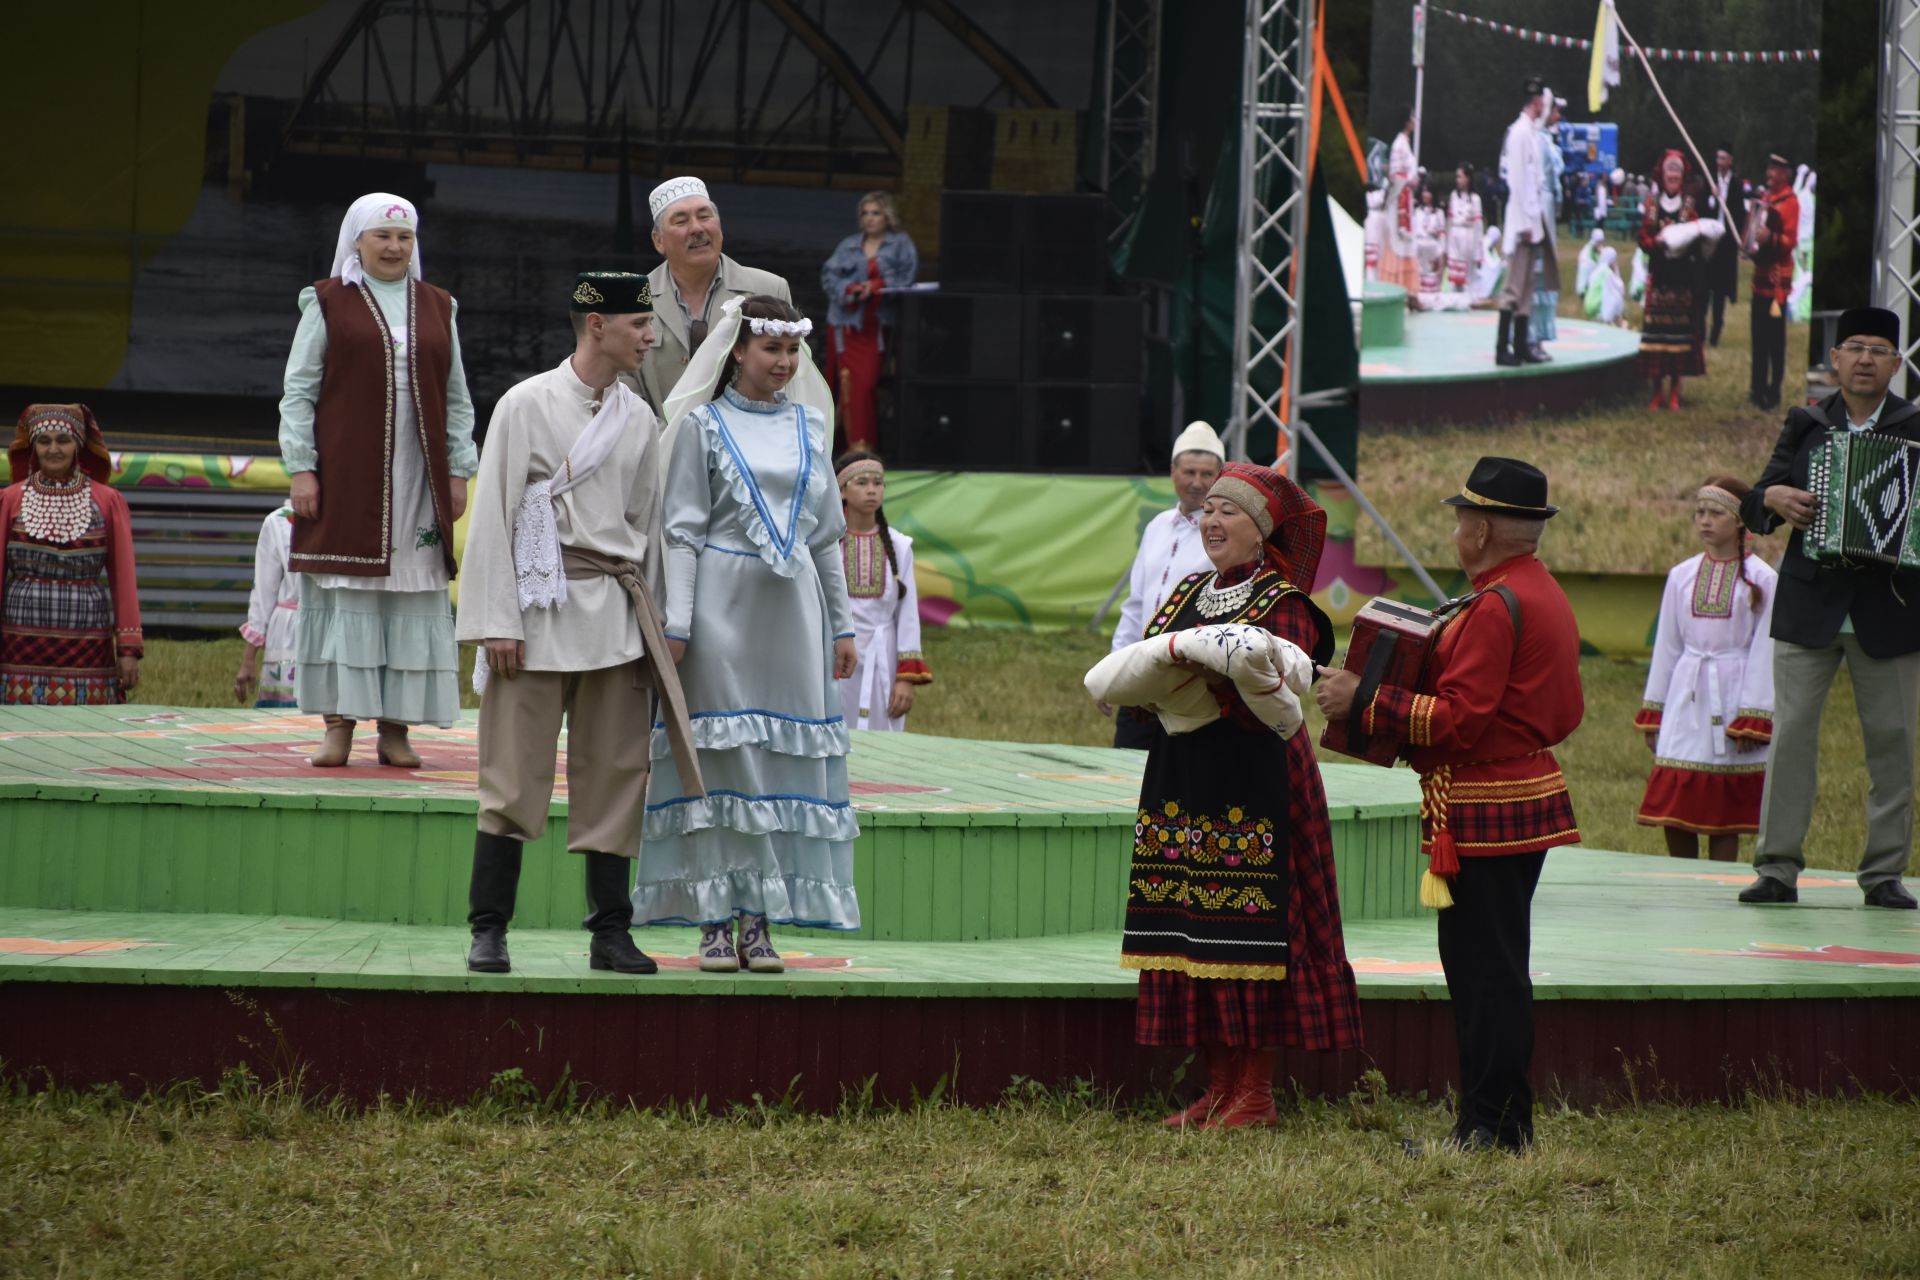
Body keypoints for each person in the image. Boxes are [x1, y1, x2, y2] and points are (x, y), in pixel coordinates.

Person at [1315, 457, 1583, 1153]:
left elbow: (1458, 720)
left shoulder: (1495, 605)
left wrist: (1363, 699)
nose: (1457, 529)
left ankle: (1491, 1131)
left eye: (1462, 517)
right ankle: (1492, 1124)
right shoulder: (1531, 590)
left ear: (1483, 527)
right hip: (1506, 798)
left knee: (1485, 976)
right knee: (1490, 969)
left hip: (1484, 804)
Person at [456, 270, 698, 976]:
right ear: (598, 326)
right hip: (532, 613)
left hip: (615, 617)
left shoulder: (641, 418)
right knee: (511, 776)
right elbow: (494, 517)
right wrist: (497, 620)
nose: (651, 336)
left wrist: (655, 626)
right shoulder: (525, 404)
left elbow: (645, 530)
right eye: (639, 324)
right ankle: (489, 927)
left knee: (617, 775)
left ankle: (610, 932)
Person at [1122, 462, 1362, 1129]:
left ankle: (1254, 1090)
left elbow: (1280, 680)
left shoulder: (1285, 603)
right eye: (1209, 510)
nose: (1213, 520)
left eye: (1230, 512)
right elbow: (1152, 657)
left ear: (1260, 532)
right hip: (1183, 775)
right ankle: (1217, 1084)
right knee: (1190, 920)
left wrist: (1204, 682)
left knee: (1249, 925)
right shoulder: (1189, 590)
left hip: (1253, 781)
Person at [634, 294, 860, 972]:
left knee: (774, 766)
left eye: (793, 351)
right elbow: (681, 529)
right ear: (737, 350)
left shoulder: (811, 427)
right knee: (720, 763)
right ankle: (712, 917)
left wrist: (842, 625)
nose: (785, 362)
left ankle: (759, 920)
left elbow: (825, 539)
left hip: (792, 617)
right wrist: (677, 623)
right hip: (720, 611)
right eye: (772, 350)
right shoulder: (703, 425)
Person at [278, 192, 478, 768]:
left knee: (409, 598)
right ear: (357, 240)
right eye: (383, 236)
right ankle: (338, 725)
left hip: (418, 478)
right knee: (347, 596)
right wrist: (302, 466)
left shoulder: (439, 306)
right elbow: (299, 392)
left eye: (405, 237)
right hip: (345, 476)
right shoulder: (327, 302)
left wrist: (459, 468)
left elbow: (457, 397)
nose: (394, 247)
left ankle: (395, 729)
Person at [1737, 306, 1920, 910]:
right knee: (1790, 738)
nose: (1865, 359)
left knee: (1893, 744)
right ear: (1835, 359)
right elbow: (1757, 504)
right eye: (1854, 348)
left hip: (1890, 608)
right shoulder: (1807, 422)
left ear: (1897, 363)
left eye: (1878, 350)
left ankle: (1885, 872)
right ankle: (1777, 867)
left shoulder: (1915, 427)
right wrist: (1774, 497)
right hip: (1809, 604)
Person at [1635, 478, 1776, 861]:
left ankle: (1719, 883)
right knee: (1675, 797)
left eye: (1716, 513)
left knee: (1722, 810)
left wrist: (1753, 715)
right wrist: (1656, 711)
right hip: (1687, 693)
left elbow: (1766, 650)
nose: (1705, 521)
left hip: (1733, 695)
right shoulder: (1681, 575)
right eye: (1700, 512)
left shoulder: (1763, 578)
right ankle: (1681, 877)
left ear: (1740, 520)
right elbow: (1668, 646)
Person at [0, 405, 142, 704]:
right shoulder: (10, 499)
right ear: (33, 447)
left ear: (78, 444)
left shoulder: (107, 501)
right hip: (18, 641)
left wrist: (128, 649)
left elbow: (124, 579)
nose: (53, 449)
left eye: (63, 440)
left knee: (87, 729)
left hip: (87, 640)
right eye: (44, 441)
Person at [635, 176, 794, 428]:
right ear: (658, 240)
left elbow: (790, 380)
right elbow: (623, 386)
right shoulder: (635, 297)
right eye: (681, 221)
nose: (697, 228)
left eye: (704, 216)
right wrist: (669, 444)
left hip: (747, 448)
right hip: (659, 449)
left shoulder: (769, 289)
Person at [1106, 421, 1226, 749]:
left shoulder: (1223, 534)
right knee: (1125, 771)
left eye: (1207, 474)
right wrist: (1115, 671)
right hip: (1141, 675)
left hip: (1188, 681)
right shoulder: (1157, 527)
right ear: (1173, 471)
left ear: (1221, 477)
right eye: (1189, 472)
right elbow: (1135, 605)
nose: (1197, 483)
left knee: (1181, 785)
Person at [836, 449, 931, 732]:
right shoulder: (828, 545)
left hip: (884, 657)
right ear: (841, 490)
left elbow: (908, 615)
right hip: (836, 656)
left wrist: (905, 678)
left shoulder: (900, 546)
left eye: (878, 483)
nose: (872, 490)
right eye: (862, 483)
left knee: (885, 734)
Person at [821, 192, 918, 454]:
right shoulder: (849, 245)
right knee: (843, 386)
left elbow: (907, 279)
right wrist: (851, 289)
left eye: (876, 213)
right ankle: (840, 451)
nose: (870, 219)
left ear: (887, 216)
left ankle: (863, 450)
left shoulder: (900, 244)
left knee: (866, 385)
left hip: (875, 326)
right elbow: (829, 279)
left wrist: (877, 285)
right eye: (865, 213)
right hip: (846, 325)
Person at [1637, 151, 1718, 412]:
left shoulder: (1689, 205)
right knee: (1656, 339)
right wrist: (1656, 242)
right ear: (1662, 174)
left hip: (1682, 280)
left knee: (1679, 339)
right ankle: (1656, 392)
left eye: (1677, 172)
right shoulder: (1652, 203)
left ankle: (1674, 393)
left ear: (1682, 177)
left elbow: (1698, 235)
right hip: (1659, 278)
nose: (1672, 176)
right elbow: (1642, 237)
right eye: (1669, 171)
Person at [1494, 78, 1549, 367]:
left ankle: (1520, 344)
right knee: (1513, 287)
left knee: (1527, 287)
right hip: (1521, 224)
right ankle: (1502, 347)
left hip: (1532, 222)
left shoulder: (1531, 133)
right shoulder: (1518, 134)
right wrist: (1525, 223)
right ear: (1537, 102)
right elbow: (1517, 182)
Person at [1747, 154, 1800, 411]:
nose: (1769, 173)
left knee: (1774, 341)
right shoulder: (1765, 198)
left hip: (1777, 280)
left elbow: (1791, 242)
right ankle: (1756, 388)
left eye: (1775, 169)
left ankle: (1773, 391)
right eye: (1768, 167)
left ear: (1786, 173)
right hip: (1759, 276)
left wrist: (1771, 237)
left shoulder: (1790, 203)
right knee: (1757, 336)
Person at [234, 503, 299, 709]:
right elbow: (263, 591)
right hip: (290, 635)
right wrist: (248, 660)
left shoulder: (351, 515)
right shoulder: (279, 522)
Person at [1529, 94, 1566, 356]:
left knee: (1543, 274)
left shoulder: (1545, 140)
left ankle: (1538, 336)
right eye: (1555, 110)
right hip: (1538, 208)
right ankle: (1531, 337)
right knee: (1536, 272)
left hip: (1546, 208)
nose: (1558, 116)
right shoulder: (1536, 140)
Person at [1705, 146, 1745, 347]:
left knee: (1720, 292)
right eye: (1717, 157)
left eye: (1723, 158)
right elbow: (1704, 208)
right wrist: (1713, 197)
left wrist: (1740, 241)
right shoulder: (1708, 179)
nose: (1719, 161)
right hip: (1709, 241)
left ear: (1730, 161)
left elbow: (1739, 215)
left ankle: (1715, 334)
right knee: (1704, 289)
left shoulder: (1737, 184)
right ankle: (1699, 332)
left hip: (1726, 244)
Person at [1378, 111, 1420, 292]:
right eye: (1412, 117)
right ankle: (1396, 288)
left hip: (1407, 198)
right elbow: (1394, 176)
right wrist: (1409, 181)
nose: (1414, 121)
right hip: (1399, 201)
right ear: (1406, 122)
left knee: (1407, 244)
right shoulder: (1399, 144)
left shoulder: (1405, 144)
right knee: (1398, 241)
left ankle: (1408, 290)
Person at [1444, 166, 1484, 294]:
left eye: (1460, 176)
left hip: (1468, 238)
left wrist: (1479, 252)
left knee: (1468, 276)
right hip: (1455, 237)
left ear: (1468, 178)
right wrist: (1446, 246)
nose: (1458, 180)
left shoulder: (1475, 199)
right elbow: (1449, 223)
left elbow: (1478, 227)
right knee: (1454, 274)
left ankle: (1469, 300)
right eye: (1457, 177)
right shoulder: (1453, 196)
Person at [1411, 184, 1448, 303]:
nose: (1425, 195)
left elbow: (1442, 235)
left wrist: (1441, 252)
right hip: (1419, 248)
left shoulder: (1439, 213)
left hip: (1433, 248)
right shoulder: (1417, 211)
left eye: (1428, 192)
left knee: (1432, 278)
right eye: (1423, 191)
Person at [1582, 246, 1626, 326]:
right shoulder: (1607, 272)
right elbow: (1621, 288)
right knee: (1615, 294)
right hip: (1597, 307)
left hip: (1588, 306)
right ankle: (1613, 319)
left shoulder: (1597, 270)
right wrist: (1616, 270)